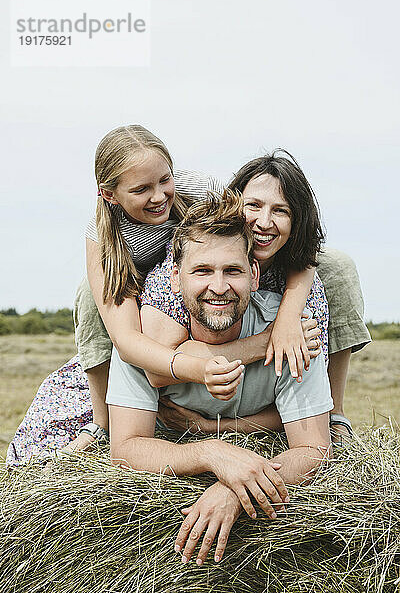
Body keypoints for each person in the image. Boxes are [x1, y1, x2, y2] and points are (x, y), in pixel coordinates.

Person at [107, 190, 334, 566]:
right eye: (202, 271)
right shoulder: (144, 341)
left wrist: (237, 488)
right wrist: (213, 454)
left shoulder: (290, 332)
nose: (218, 287)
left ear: (254, 275)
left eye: (232, 270)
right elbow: (125, 448)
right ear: (176, 279)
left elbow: (314, 450)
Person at [140, 150, 371, 441]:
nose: (264, 221)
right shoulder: (186, 269)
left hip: (251, 402)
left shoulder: (304, 286)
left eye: (280, 211)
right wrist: (265, 343)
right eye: (254, 206)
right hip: (184, 394)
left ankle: (337, 412)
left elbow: (304, 395)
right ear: (235, 206)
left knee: (340, 266)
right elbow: (160, 366)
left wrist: (215, 429)